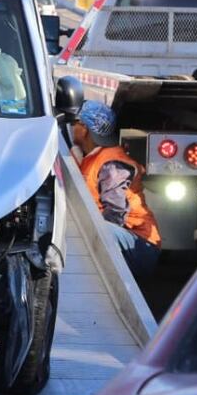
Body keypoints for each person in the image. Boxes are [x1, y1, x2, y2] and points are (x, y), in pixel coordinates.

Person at [72, 100, 161, 279]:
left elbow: (115, 212)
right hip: (125, 238)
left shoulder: (112, 164)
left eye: (76, 123)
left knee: (93, 230)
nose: (72, 127)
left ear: (85, 129)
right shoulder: (91, 158)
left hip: (139, 246)